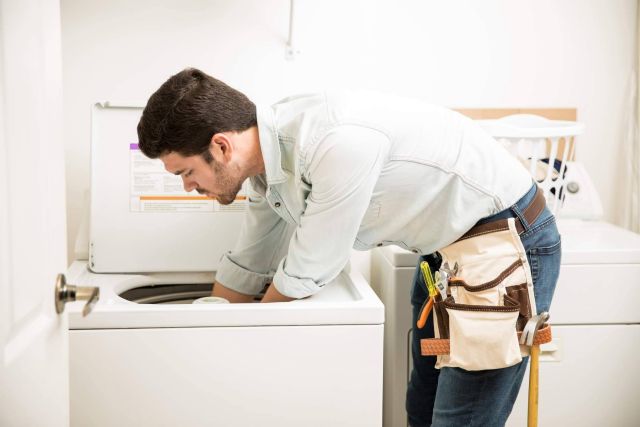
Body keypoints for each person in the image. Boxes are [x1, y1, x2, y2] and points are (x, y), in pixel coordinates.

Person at [137, 67, 561, 426]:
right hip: (443, 254)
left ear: (221, 146)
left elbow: (307, 269)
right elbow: (251, 258)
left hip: (504, 246)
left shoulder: (332, 142)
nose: (188, 186)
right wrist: (204, 334)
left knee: (459, 418)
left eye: (186, 172)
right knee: (420, 410)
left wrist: (243, 351)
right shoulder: (268, 163)